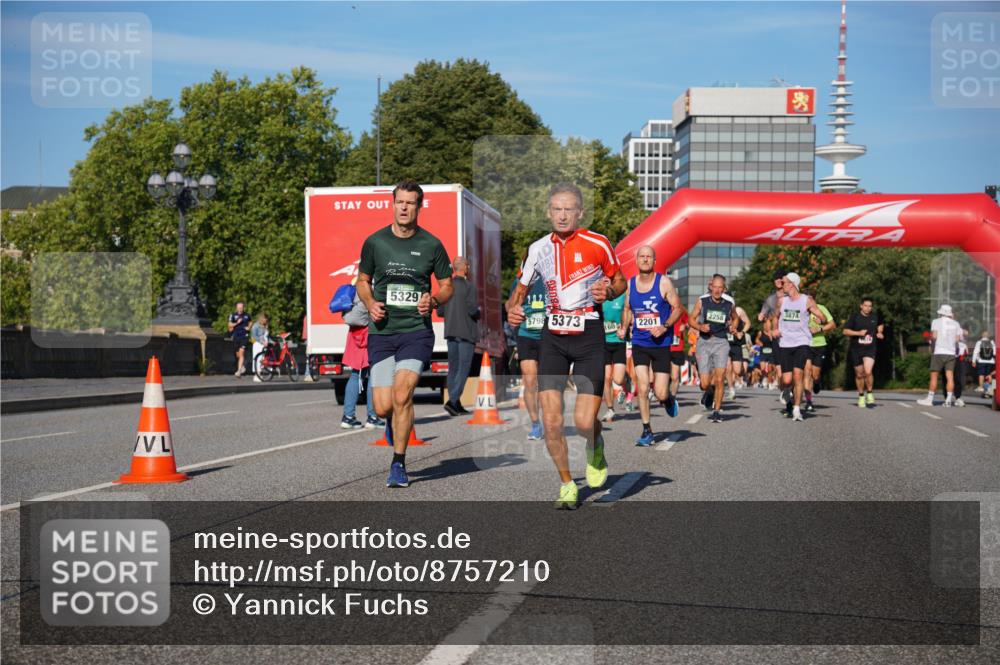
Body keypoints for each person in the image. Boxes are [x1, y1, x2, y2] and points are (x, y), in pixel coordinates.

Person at [507, 183, 626, 510]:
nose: (562, 215)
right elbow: (517, 293)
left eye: (568, 209)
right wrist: (512, 309)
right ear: (548, 212)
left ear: (580, 213)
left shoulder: (598, 243)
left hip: (589, 335)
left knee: (585, 421)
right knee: (552, 421)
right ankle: (567, 484)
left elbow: (620, 281)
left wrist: (609, 292)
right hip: (553, 338)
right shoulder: (537, 249)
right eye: (556, 209)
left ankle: (595, 444)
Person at [356, 180, 454, 488]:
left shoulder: (432, 244)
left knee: (403, 394)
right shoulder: (375, 242)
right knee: (384, 406)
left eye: (410, 203)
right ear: (393, 203)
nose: (404, 207)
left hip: (416, 332)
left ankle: (398, 463)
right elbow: (362, 280)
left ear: (418, 207)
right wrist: (370, 302)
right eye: (400, 201)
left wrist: (434, 299)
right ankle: (394, 422)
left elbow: (448, 285)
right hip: (383, 332)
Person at [624, 245, 682, 446]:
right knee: (641, 386)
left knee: (660, 392)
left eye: (649, 257)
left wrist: (665, 326)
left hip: (660, 344)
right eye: (642, 256)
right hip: (639, 342)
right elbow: (627, 309)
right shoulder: (630, 284)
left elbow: (678, 309)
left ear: (654, 261)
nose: (646, 260)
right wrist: (624, 327)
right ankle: (647, 429)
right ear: (637, 260)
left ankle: (668, 399)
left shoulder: (664, 282)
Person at [770, 272, 827, 422]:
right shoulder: (781, 301)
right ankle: (788, 392)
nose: (782, 286)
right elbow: (775, 317)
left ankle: (796, 409)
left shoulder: (806, 301)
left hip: (802, 342)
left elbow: (823, 317)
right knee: (787, 380)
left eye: (785, 283)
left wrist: (820, 321)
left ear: (793, 284)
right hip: (785, 343)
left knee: (798, 375)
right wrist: (775, 329)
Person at [689, 274, 738, 423]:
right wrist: (700, 326)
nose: (717, 290)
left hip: (721, 343)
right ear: (710, 287)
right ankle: (709, 393)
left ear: (724, 289)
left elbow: (735, 318)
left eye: (720, 287)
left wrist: (734, 327)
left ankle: (717, 411)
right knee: (704, 383)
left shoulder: (728, 304)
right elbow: (691, 319)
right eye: (714, 287)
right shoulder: (702, 301)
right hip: (704, 342)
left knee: (719, 378)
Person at [437, 256, 480, 417]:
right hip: (466, 332)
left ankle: (456, 403)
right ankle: (452, 400)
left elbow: (440, 311)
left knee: (453, 368)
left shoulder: (446, 287)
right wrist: (479, 312)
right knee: (463, 368)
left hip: (450, 331)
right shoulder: (469, 287)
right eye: (468, 266)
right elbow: (472, 310)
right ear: (465, 267)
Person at [511, 272, 547, 439]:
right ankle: (535, 424)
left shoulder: (552, 277)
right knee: (530, 380)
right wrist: (513, 308)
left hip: (549, 336)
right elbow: (509, 305)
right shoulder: (520, 281)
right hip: (526, 335)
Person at [341, 293, 383, 429]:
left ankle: (348, 417)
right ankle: (372, 417)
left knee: (355, 375)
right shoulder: (373, 286)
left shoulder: (356, 287)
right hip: (369, 334)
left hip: (355, 334)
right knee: (373, 375)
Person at [917, 304, 964, 407]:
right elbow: (957, 340)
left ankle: (930, 399)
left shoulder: (936, 322)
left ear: (941, 313)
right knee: (950, 377)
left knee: (934, 376)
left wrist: (933, 350)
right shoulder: (956, 323)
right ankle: (948, 400)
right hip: (951, 353)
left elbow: (934, 337)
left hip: (939, 351)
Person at [842, 296, 884, 408]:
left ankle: (869, 393)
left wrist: (879, 332)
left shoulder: (875, 317)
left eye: (870, 306)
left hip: (870, 348)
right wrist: (858, 333)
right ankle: (861, 396)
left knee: (868, 371)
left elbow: (880, 324)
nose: (868, 308)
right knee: (859, 375)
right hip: (856, 349)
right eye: (865, 305)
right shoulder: (855, 317)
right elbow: (845, 331)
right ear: (861, 306)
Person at [803, 288, 835, 413]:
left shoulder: (821, 308)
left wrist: (820, 329)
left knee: (815, 375)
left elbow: (832, 324)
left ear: (813, 298)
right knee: (807, 372)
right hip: (805, 345)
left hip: (819, 344)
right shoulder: (801, 310)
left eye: (808, 298)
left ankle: (817, 382)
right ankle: (809, 401)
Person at [601, 290, 628, 423]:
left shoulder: (622, 297)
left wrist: (625, 328)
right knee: (606, 378)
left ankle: (623, 383)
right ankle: (610, 409)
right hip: (603, 343)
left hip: (618, 342)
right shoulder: (600, 297)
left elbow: (630, 313)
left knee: (617, 379)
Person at [759, 270, 786, 393]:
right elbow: (762, 313)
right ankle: (784, 391)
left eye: (781, 278)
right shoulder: (770, 299)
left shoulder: (792, 296)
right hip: (776, 337)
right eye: (776, 279)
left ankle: (792, 389)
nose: (778, 281)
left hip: (792, 335)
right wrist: (761, 316)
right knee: (779, 367)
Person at [725, 304, 752, 400]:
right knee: (728, 367)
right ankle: (731, 389)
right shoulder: (721, 309)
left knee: (737, 371)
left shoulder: (739, 310)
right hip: (725, 343)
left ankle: (743, 373)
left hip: (736, 344)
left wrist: (742, 332)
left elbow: (748, 323)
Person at [668, 308, 689, 404]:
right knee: (662, 374)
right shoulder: (661, 306)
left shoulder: (681, 309)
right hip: (663, 346)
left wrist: (685, 325)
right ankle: (661, 393)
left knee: (674, 377)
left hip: (677, 347)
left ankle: (672, 397)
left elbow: (689, 322)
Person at [228, 301, 251, 377]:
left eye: (241, 308)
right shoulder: (233, 315)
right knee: (238, 355)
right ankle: (242, 365)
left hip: (244, 336)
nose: (240, 309)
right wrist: (237, 323)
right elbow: (229, 325)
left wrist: (249, 327)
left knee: (241, 353)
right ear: (236, 308)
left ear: (244, 307)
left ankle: (238, 371)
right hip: (236, 336)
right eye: (238, 308)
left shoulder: (247, 315)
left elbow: (250, 322)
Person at [250, 313, 269, 382]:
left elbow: (266, 336)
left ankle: (260, 374)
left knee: (262, 359)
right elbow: (254, 336)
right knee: (257, 359)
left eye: (266, 319)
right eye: (265, 319)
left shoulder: (265, 326)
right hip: (258, 344)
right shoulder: (256, 326)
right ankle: (256, 375)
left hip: (264, 345)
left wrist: (271, 342)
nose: (266, 320)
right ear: (262, 319)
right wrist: (262, 341)